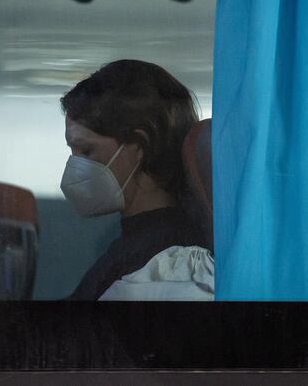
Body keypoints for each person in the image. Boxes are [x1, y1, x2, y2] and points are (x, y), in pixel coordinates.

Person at [59, 60, 213, 300]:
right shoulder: (136, 245)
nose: (74, 167)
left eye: (86, 151)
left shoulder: (172, 267)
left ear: (140, 147)